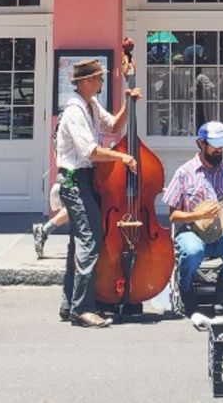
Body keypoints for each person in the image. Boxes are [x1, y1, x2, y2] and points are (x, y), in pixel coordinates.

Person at [55, 59, 140, 328]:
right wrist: (123, 157)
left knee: (77, 245)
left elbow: (113, 126)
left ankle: (69, 304)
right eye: (99, 79)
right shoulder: (74, 112)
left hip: (84, 180)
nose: (102, 83)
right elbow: (90, 152)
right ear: (86, 81)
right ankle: (83, 308)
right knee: (90, 242)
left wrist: (128, 101)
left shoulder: (90, 106)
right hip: (75, 181)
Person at [162, 121, 223, 315]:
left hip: (221, 236)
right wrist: (198, 215)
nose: (219, 150)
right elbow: (173, 216)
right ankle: (186, 288)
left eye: (222, 145)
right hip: (193, 234)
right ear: (201, 144)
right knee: (193, 249)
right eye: (215, 145)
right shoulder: (184, 173)